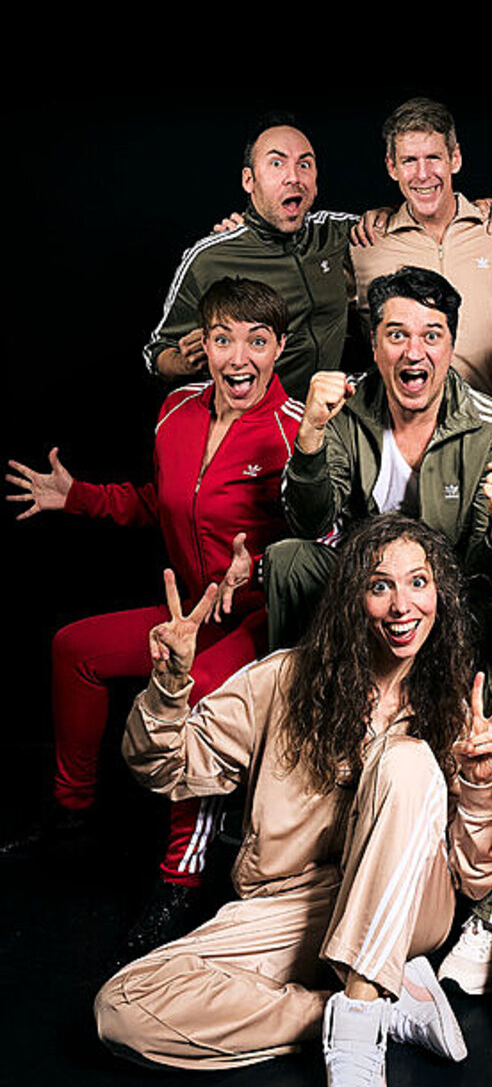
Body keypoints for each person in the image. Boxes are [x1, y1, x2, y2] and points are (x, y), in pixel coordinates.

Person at [94, 514, 492, 1087]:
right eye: (380, 585)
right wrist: (170, 684)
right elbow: (166, 766)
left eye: (419, 582)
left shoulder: (455, 711)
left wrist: (480, 787)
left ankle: (358, 1031)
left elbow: (474, 878)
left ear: (440, 596)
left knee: (406, 762)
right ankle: (366, 1009)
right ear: (353, 598)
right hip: (292, 908)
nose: (402, 605)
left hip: (410, 907)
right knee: (122, 1009)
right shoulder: (285, 679)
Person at [5, 278, 302, 956]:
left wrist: (256, 569)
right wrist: (78, 497)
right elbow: (158, 502)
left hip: (260, 622)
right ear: (205, 345)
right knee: (73, 649)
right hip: (188, 616)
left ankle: (180, 878)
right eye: (224, 339)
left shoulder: (294, 432)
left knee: (192, 700)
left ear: (279, 348)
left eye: (257, 341)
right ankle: (72, 815)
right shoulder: (176, 411)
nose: (239, 358)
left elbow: (325, 541)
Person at [264, 264, 492, 662]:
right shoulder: (342, 407)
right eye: (397, 335)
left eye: (431, 336)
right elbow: (309, 524)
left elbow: (487, 575)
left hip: (452, 596)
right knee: (290, 559)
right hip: (366, 587)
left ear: (451, 347)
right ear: (374, 345)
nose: (413, 352)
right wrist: (310, 435)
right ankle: (297, 689)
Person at [143, 114, 354, 402]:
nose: (293, 177)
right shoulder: (209, 258)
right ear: (248, 180)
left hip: (326, 416)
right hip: (251, 422)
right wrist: (184, 361)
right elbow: (156, 354)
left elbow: (404, 221)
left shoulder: (336, 234)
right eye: (277, 163)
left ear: (316, 182)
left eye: (304, 165)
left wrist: (382, 216)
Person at [349, 98, 492, 396]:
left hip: (491, 413)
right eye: (409, 161)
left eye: (433, 158)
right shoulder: (365, 246)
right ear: (392, 167)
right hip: (400, 415)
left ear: (455, 159)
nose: (423, 174)